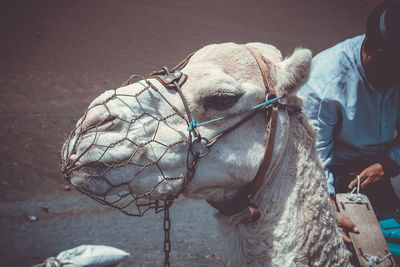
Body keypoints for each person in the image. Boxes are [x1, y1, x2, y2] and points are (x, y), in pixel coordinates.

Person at [298, 0, 400, 243]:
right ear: (370, 52)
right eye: (392, 73)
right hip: (330, 176)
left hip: (377, 169)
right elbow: (314, 159)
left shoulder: (392, 67)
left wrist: (388, 164)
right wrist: (327, 206)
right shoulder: (324, 82)